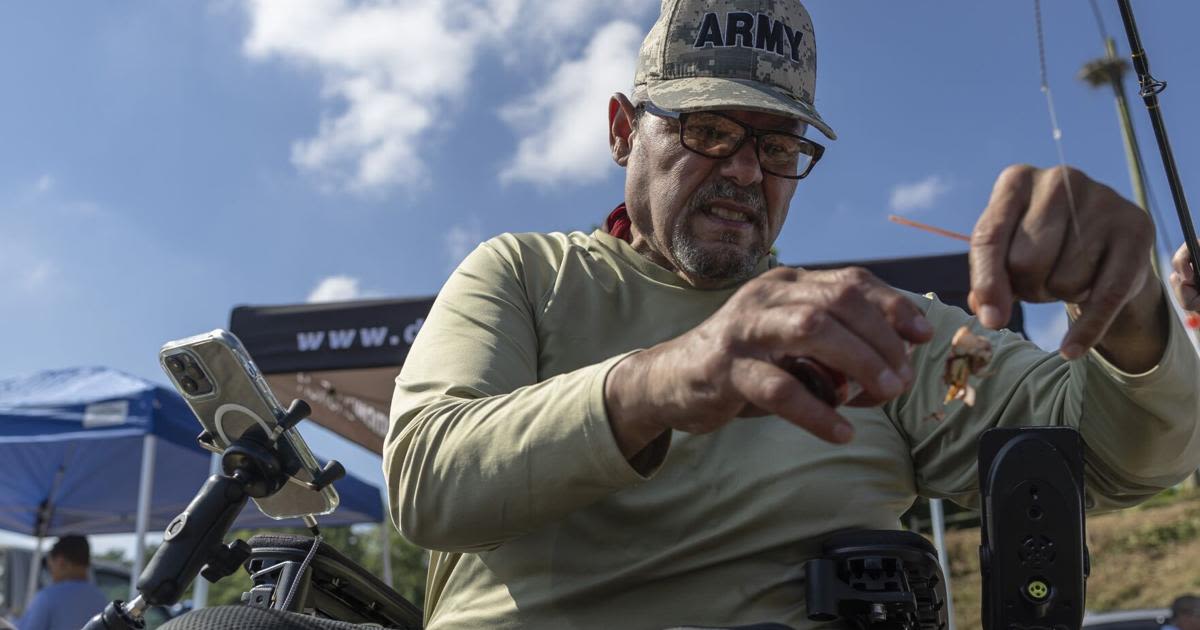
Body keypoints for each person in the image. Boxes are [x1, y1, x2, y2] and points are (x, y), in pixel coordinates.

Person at [384, 0, 1200, 627]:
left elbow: (1112, 462)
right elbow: (428, 482)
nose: (745, 170)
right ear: (624, 132)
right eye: (709, 130)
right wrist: (664, 380)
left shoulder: (881, 329)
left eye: (779, 148)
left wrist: (1129, 316)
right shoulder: (526, 274)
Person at [16, 535, 108, 630]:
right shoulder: (101, 599)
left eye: (50, 567)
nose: (51, 573)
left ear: (61, 562)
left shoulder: (48, 597)